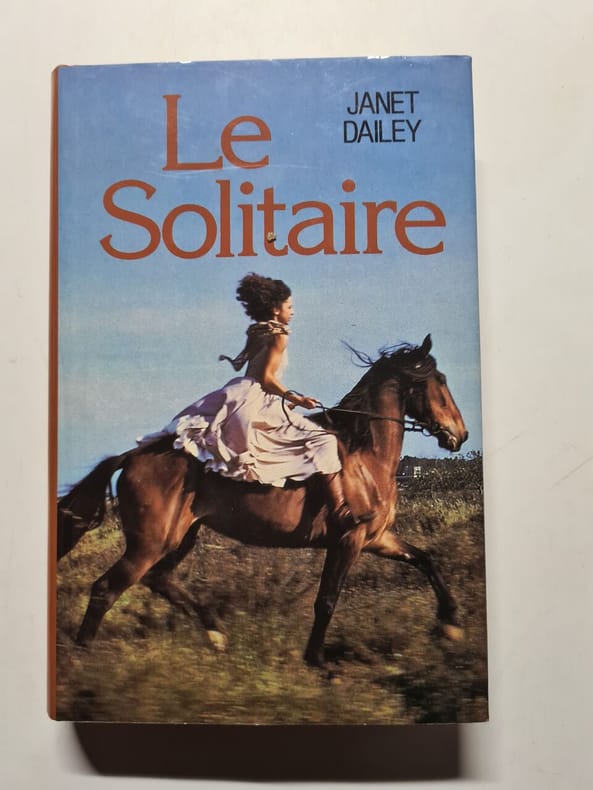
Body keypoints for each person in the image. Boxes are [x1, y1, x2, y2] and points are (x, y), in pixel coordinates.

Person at [139, 272, 358, 532]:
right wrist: (296, 398)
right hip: (257, 397)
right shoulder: (280, 335)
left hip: (242, 393)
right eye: (289, 306)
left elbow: (252, 369)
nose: (293, 312)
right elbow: (267, 378)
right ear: (276, 310)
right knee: (324, 440)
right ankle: (339, 510)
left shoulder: (258, 331)